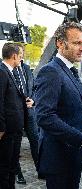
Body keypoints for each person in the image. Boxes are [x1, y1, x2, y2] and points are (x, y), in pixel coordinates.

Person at [34, 22, 82, 189]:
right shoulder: (50, 71)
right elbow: (45, 117)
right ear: (59, 43)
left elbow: (72, 110)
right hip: (59, 158)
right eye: (77, 43)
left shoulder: (69, 70)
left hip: (72, 155)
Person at [0, 43, 32, 189]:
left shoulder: (10, 72)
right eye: (20, 56)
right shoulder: (2, 72)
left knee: (12, 165)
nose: (21, 59)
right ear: (14, 56)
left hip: (15, 129)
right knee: (5, 167)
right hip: (7, 131)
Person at [14, 48, 39, 184]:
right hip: (15, 113)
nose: (21, 56)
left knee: (35, 141)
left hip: (29, 113)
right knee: (16, 145)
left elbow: (34, 87)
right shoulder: (6, 68)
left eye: (22, 53)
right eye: (19, 53)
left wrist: (33, 100)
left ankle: (40, 169)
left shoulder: (27, 68)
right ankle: (18, 174)